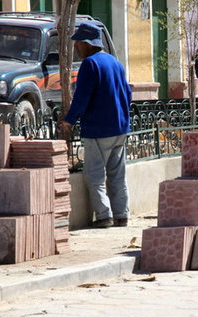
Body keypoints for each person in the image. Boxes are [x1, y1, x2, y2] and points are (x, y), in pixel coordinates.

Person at [59, 23, 132, 228]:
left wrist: (69, 120)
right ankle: (121, 215)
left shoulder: (90, 64)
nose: (76, 47)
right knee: (117, 175)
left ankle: (104, 216)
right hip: (120, 129)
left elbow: (82, 97)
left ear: (88, 44)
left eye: (78, 43)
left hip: (99, 129)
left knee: (94, 175)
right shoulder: (115, 63)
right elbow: (127, 94)